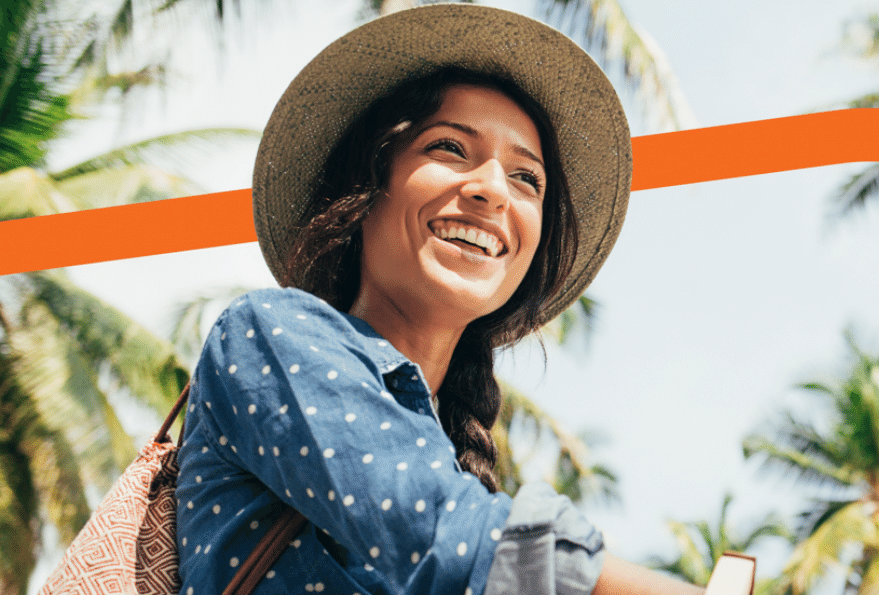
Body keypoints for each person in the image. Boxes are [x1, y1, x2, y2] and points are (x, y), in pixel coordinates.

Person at [174, 6, 702, 595]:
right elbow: (443, 538)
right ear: (365, 186)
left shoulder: (456, 469)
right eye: (450, 147)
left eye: (527, 179)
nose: (493, 191)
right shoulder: (267, 332)